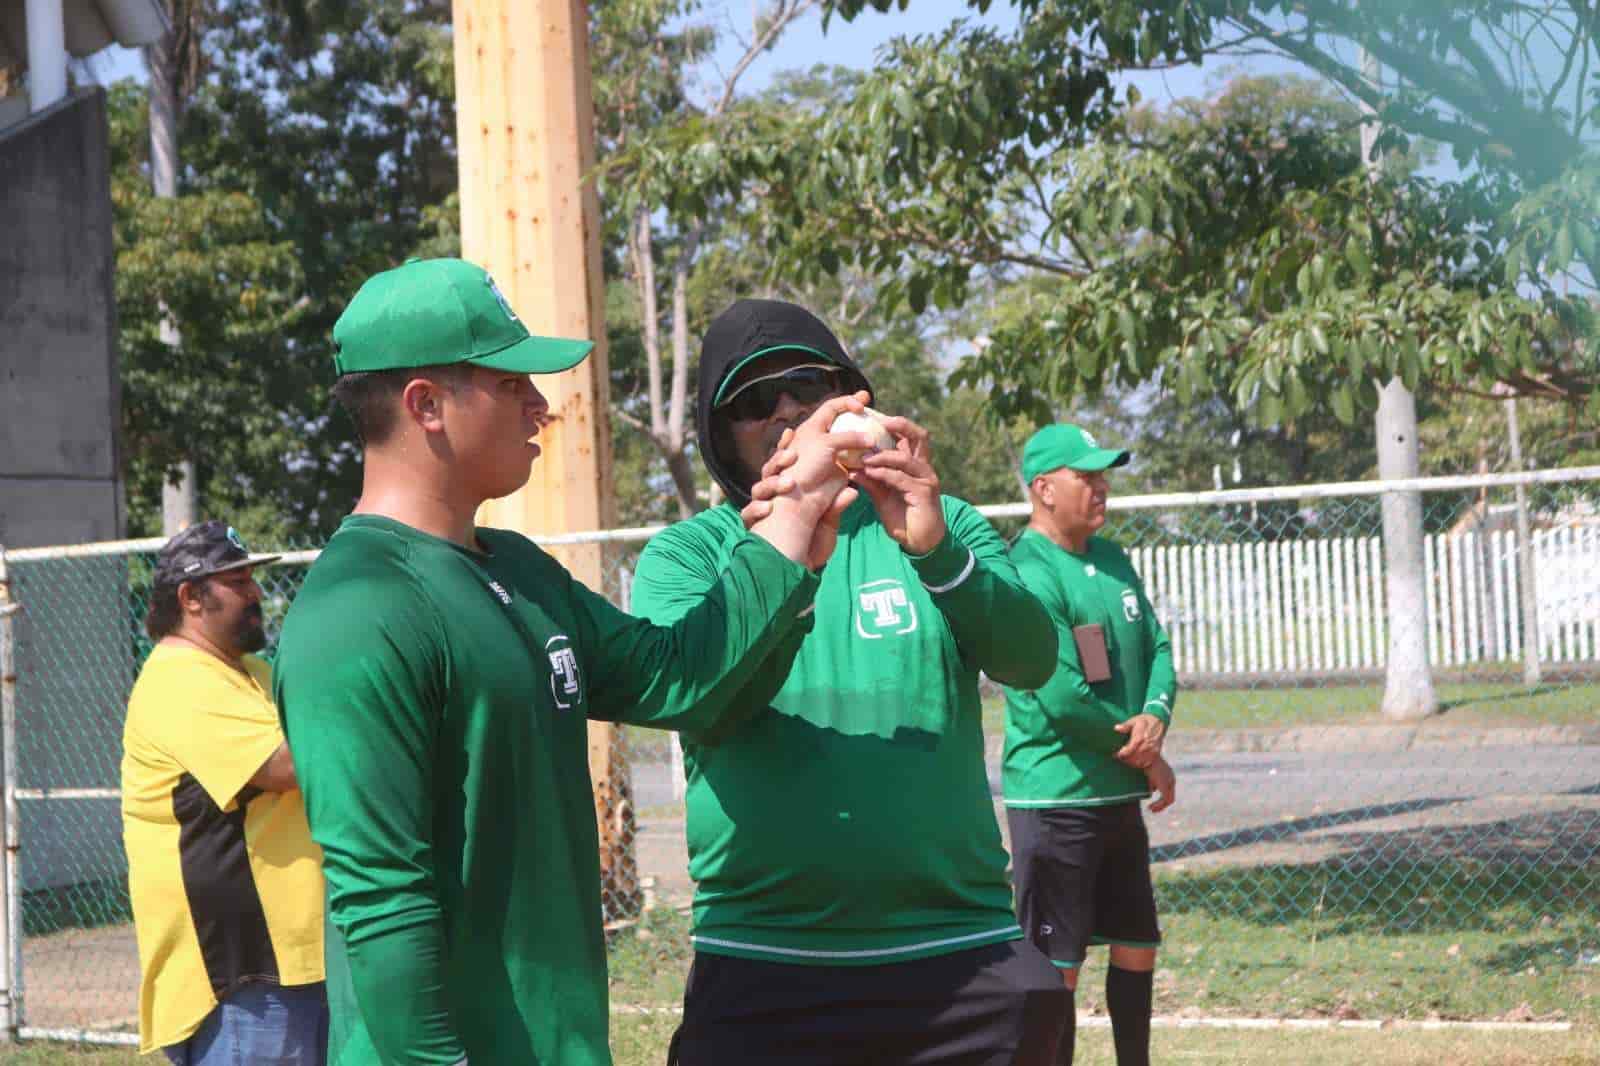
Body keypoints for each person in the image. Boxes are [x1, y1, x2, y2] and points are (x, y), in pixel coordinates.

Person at [270, 258, 867, 1065]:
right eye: (510, 382)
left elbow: (681, 678)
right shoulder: (358, 608)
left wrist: (795, 528)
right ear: (425, 405)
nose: (540, 405)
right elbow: (381, 906)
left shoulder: (517, 568)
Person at [631, 298, 1069, 1066]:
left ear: (850, 399)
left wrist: (938, 553)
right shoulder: (688, 556)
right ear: (721, 436)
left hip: (960, 946)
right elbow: (697, 700)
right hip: (766, 958)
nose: (787, 412)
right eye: (754, 401)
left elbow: (1032, 659)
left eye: (805, 387)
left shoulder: (942, 522)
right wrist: (790, 548)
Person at [1000, 423, 1179, 1066]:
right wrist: (1148, 754)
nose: (1101, 487)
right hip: (1057, 797)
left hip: (1115, 792)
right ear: (1044, 489)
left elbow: (1158, 646)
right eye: (1086, 476)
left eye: (1104, 475)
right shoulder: (1026, 570)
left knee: (1136, 946)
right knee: (1059, 967)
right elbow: (1062, 695)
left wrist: (1155, 713)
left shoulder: (1111, 557)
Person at [121, 520, 328, 1064]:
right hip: (243, 975)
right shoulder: (179, 680)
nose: (255, 592)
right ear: (191, 598)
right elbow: (287, 766)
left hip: (294, 961)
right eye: (237, 582)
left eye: (251, 579)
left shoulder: (250, 670)